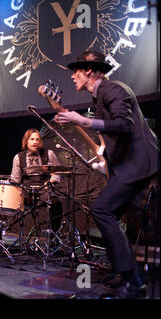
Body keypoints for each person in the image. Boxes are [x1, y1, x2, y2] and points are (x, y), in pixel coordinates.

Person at [55, 51, 159, 298]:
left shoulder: (113, 90)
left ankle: (133, 281)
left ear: (88, 70)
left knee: (102, 209)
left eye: (75, 71)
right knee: (114, 216)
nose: (72, 77)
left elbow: (124, 125)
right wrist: (105, 161)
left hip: (138, 165)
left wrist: (83, 121)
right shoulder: (99, 97)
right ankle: (128, 274)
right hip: (130, 165)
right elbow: (112, 137)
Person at [10, 128, 63, 235]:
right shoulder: (18, 157)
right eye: (32, 139)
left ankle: (46, 235)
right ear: (26, 141)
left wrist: (51, 182)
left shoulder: (49, 154)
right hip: (26, 189)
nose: (35, 142)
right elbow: (15, 180)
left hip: (44, 188)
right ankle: (24, 234)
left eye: (37, 139)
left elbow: (57, 173)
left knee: (54, 201)